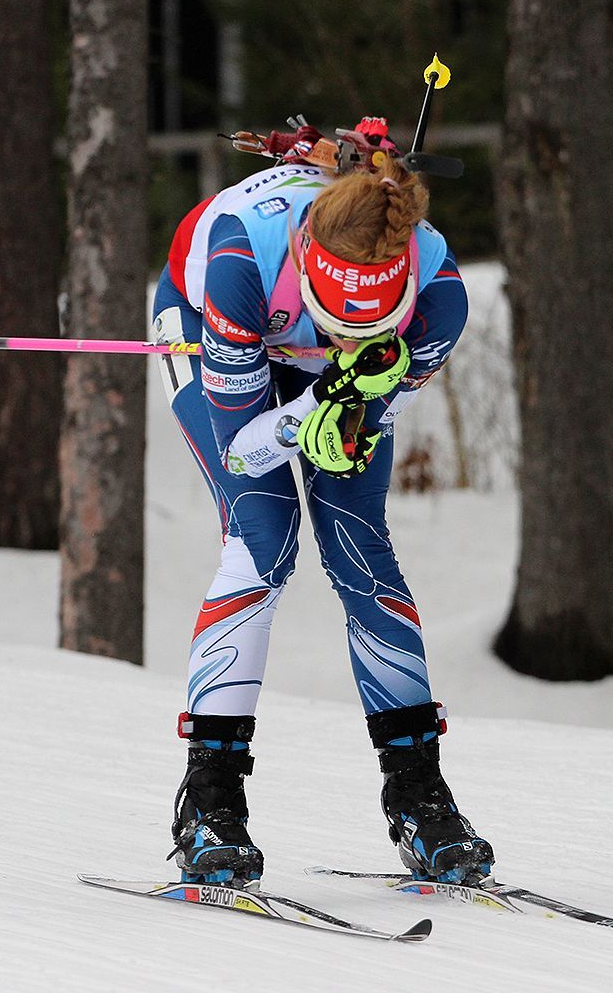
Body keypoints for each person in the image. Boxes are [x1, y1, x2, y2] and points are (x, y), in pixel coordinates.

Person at [148, 117, 493, 888]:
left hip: (325, 363)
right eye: (338, 322)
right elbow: (244, 446)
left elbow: (370, 398)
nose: (344, 339)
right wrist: (307, 416)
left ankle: (418, 793)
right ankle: (209, 801)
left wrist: (351, 403)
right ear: (308, 259)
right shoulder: (242, 258)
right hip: (215, 321)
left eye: (366, 327)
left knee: (361, 548)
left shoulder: (438, 297)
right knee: (263, 538)